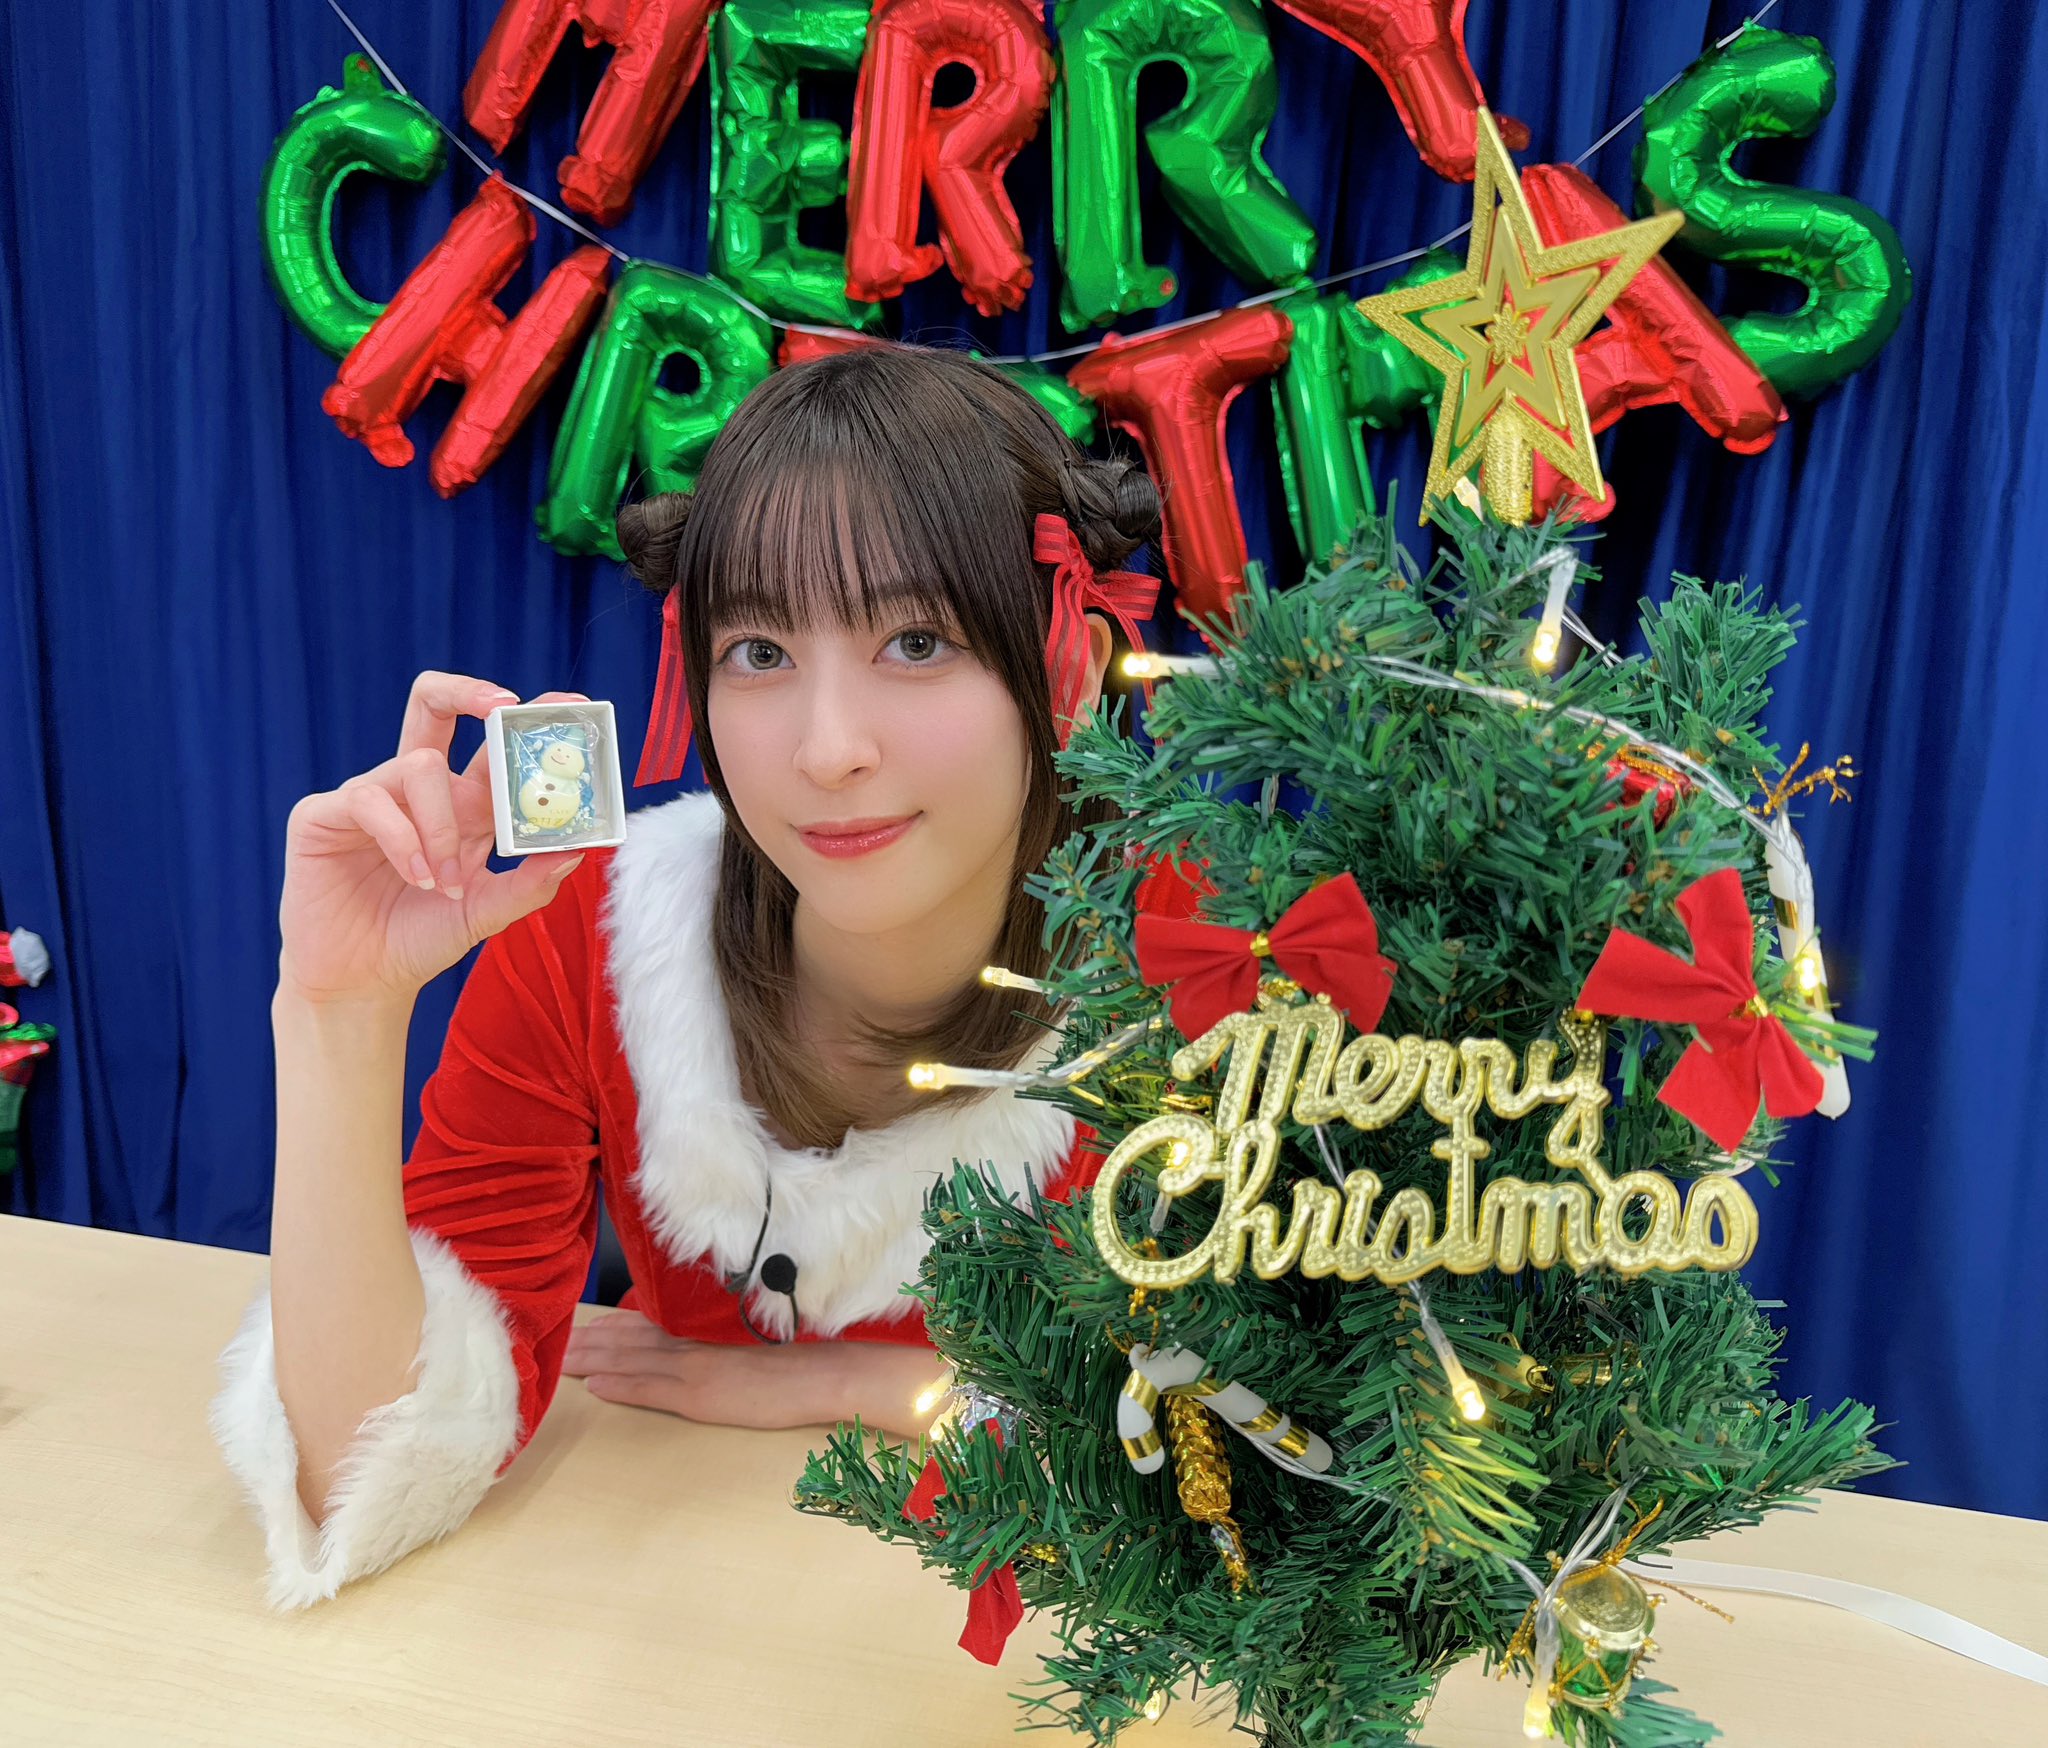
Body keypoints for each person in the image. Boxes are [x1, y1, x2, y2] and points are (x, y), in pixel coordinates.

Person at [207, 345, 1163, 1611]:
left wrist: (865, 1384)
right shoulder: (592, 933)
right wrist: (339, 1009)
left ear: (1068, 667)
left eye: (915, 639)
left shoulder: (1198, 967)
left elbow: (1273, 1456)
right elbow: (365, 1469)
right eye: (759, 651)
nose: (826, 749)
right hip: (660, 1602)